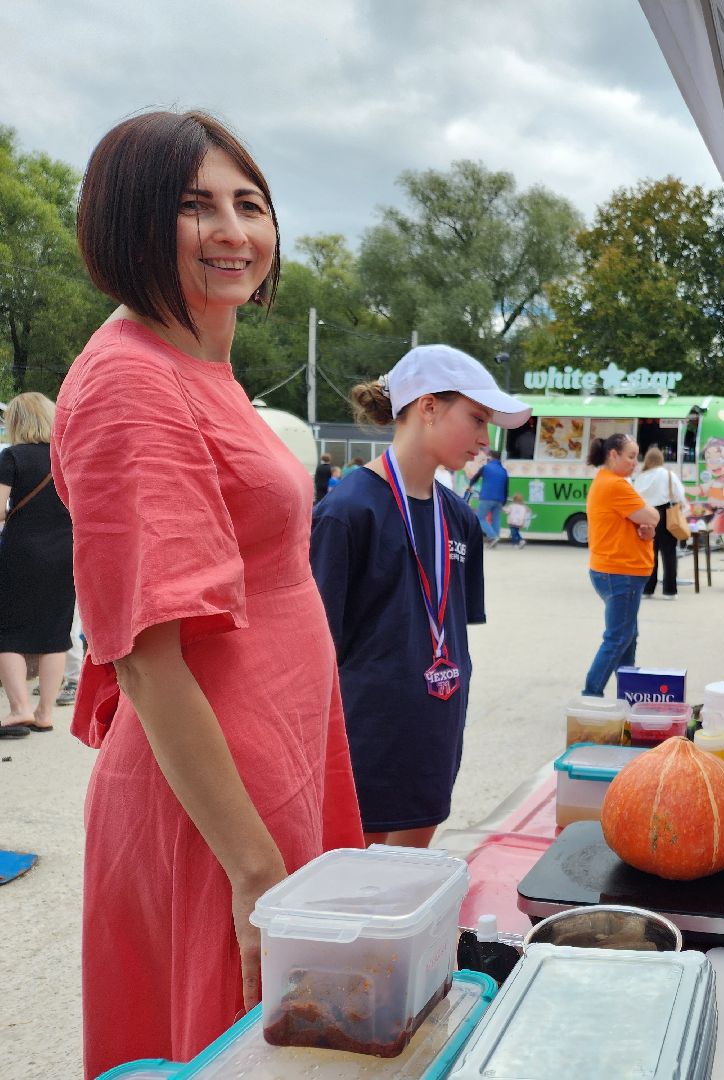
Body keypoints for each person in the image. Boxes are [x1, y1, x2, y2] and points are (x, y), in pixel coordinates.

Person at [53, 110, 363, 1078]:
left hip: (274, 751)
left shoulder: (197, 362)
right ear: (130, 223)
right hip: (219, 802)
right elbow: (145, 658)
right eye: (195, 207)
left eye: (250, 203)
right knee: (237, 1043)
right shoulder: (132, 383)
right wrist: (256, 872)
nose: (234, 231)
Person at [311, 344, 529, 848]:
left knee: (406, 887)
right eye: (477, 419)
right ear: (428, 406)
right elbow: (317, 648)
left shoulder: (461, 518)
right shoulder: (346, 512)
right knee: (352, 891)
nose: (484, 439)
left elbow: (453, 626)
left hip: (435, 725)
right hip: (362, 734)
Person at [0, 393, 75, 733]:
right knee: (55, 633)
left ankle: (20, 709)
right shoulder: (66, 457)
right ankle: (45, 713)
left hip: (21, 553)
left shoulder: (11, 457)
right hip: (65, 552)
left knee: (9, 632)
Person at [582, 433, 658, 696]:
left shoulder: (607, 481)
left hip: (614, 570)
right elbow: (652, 516)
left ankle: (627, 693)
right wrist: (650, 520)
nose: (635, 462)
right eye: (631, 456)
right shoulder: (616, 485)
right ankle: (592, 693)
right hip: (620, 571)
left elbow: (641, 523)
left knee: (626, 636)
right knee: (618, 638)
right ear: (613, 455)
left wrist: (646, 529)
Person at [633, 445, 686, 599]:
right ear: (661, 459)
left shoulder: (641, 477)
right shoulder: (668, 474)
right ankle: (670, 591)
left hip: (645, 515)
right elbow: (679, 495)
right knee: (669, 554)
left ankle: (648, 589)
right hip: (666, 515)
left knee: (650, 554)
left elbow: (635, 497)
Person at [474, 449, 508, 549]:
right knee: (496, 519)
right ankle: (495, 539)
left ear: (491, 457)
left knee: (480, 518)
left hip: (487, 497)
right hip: (499, 499)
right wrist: (504, 500)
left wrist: (470, 485)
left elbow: (476, 477)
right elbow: (506, 487)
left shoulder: (486, 467)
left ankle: (492, 536)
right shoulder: (503, 470)